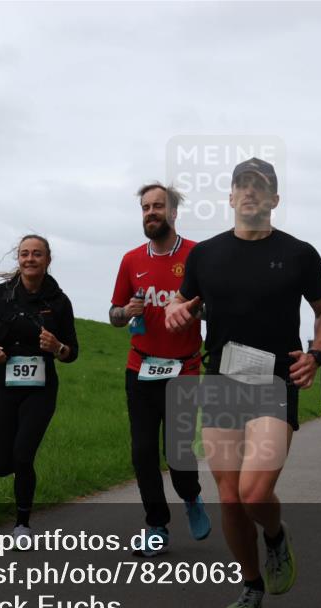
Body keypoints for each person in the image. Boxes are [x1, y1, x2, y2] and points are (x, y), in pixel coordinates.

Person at [164, 157, 321, 608]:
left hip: (273, 382)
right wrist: (176, 310)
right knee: (229, 494)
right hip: (222, 381)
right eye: (242, 185)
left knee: (255, 492)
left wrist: (317, 354)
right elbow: (186, 299)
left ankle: (276, 536)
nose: (250, 193)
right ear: (230, 197)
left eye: (260, 187)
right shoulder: (206, 255)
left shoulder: (299, 254)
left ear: (275, 199)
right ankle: (252, 585)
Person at [110, 182, 210, 557]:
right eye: (145, 208)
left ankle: (192, 496)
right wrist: (125, 313)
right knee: (142, 452)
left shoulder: (198, 256)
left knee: (178, 452)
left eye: (157, 207)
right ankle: (156, 526)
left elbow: (213, 307)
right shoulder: (131, 260)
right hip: (140, 367)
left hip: (183, 369)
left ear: (173, 213)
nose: (150, 213)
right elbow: (114, 314)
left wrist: (193, 310)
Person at [0, 235, 79, 543]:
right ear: (18, 259)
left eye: (37, 254)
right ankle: (19, 498)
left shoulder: (59, 301)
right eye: (24, 254)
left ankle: (22, 525)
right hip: (6, 385)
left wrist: (58, 346)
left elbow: (73, 352)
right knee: (0, 464)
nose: (30, 259)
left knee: (23, 456)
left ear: (48, 260)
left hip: (41, 389)